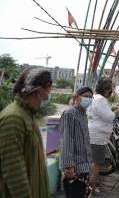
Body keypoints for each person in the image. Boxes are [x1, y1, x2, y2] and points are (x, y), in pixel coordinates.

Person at [0, 68, 52, 198]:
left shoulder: (28, 115)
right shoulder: (14, 118)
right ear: (37, 90)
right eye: (48, 88)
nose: (49, 93)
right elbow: (14, 172)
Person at [88, 78, 119, 193]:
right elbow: (109, 117)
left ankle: (91, 186)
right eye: (111, 88)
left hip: (94, 134)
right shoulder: (101, 100)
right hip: (98, 137)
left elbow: (101, 113)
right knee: (96, 163)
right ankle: (92, 189)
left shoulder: (95, 98)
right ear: (106, 89)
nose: (112, 90)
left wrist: (112, 108)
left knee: (94, 162)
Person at [59, 86, 93, 198]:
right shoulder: (69, 113)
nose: (88, 99)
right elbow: (67, 140)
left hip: (84, 166)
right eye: (85, 96)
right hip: (74, 168)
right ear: (77, 97)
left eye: (90, 97)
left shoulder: (83, 115)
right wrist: (68, 166)